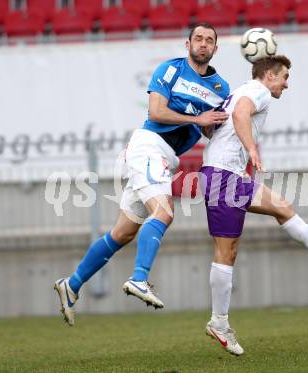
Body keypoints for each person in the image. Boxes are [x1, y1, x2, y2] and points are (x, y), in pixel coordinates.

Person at [54, 23, 230, 326]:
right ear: (187, 43)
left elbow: (211, 128)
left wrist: (215, 124)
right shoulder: (171, 70)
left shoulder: (220, 88)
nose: (203, 44)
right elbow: (156, 112)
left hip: (165, 156)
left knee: (122, 233)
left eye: (209, 40)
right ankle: (139, 279)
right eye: (198, 38)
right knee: (163, 212)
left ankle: (71, 284)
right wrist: (197, 117)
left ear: (216, 48)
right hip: (149, 145)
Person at [199, 55, 308, 356]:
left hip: (227, 174)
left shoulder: (241, 89)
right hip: (222, 175)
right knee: (226, 251)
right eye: (284, 77)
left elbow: (214, 127)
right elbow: (239, 114)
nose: (286, 84)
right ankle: (219, 322)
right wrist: (252, 149)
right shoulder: (258, 91)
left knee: (281, 207)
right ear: (269, 75)